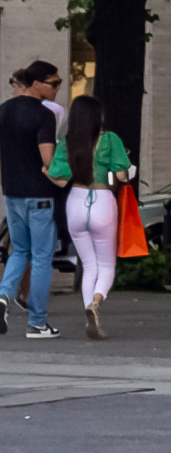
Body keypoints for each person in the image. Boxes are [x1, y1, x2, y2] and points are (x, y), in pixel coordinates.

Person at [48, 96, 133, 341]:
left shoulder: (67, 142)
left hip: (75, 200)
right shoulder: (110, 140)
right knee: (106, 265)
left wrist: (45, 171)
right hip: (102, 201)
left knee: (88, 265)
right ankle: (95, 303)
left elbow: (60, 176)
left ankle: (88, 310)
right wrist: (123, 169)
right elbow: (121, 175)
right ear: (98, 116)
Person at [0, 61, 64, 339]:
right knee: (41, 257)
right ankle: (37, 323)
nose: (57, 88)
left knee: (19, 251)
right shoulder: (44, 115)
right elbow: (48, 161)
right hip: (39, 194)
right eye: (54, 83)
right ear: (37, 83)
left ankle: (3, 296)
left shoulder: (3, 110)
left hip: (12, 193)